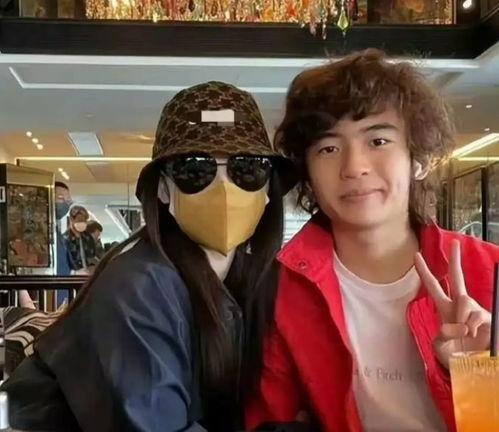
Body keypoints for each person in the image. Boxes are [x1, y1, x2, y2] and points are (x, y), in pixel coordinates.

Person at [1, 81, 299, 432]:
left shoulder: (253, 281)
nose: (224, 188)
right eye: (195, 171)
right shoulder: (138, 286)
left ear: (268, 187)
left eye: (247, 169)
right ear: (163, 189)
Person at [246, 49, 499, 432]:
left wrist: (477, 375)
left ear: (419, 159)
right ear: (308, 174)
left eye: (378, 141)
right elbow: (269, 419)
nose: (354, 167)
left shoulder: (489, 272)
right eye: (328, 149)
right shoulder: (281, 289)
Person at [63, 205, 98, 273]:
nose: (82, 222)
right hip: (73, 276)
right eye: (79, 219)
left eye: (84, 220)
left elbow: (92, 256)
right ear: (72, 219)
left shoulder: (88, 238)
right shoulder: (65, 239)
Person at [54, 181, 74, 276]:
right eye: (61, 198)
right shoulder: (44, 230)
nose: (65, 204)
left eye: (68, 201)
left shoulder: (56, 232)